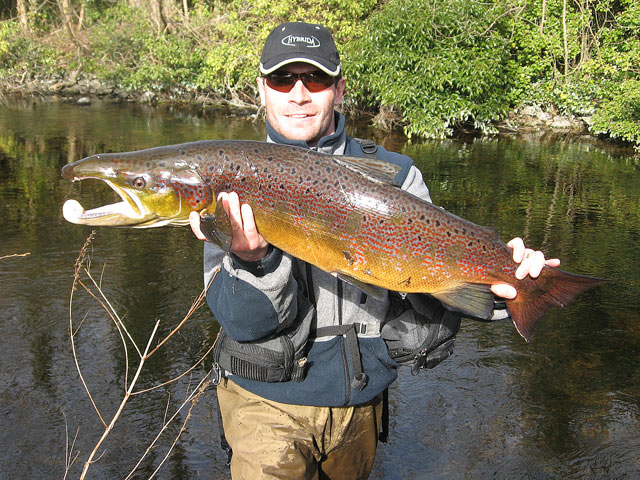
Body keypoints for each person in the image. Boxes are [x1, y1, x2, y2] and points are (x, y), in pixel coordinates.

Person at [190, 21, 560, 480]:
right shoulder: (228, 180)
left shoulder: (398, 176)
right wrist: (253, 260)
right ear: (261, 90)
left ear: (339, 90)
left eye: (316, 79)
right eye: (283, 80)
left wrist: (509, 284)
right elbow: (243, 323)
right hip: (263, 408)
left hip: (359, 403)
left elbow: (433, 280)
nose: (299, 94)